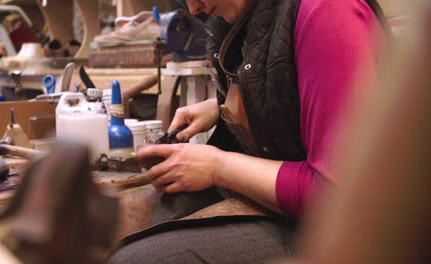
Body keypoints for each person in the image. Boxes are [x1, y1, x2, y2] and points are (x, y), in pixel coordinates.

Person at [108, 0, 390, 262]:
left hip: (348, 234)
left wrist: (217, 166)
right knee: (116, 226)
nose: (194, 9)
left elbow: (339, 196)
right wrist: (222, 106)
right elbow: (286, 77)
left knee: (138, 259)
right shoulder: (250, 16)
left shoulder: (328, 11)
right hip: (294, 215)